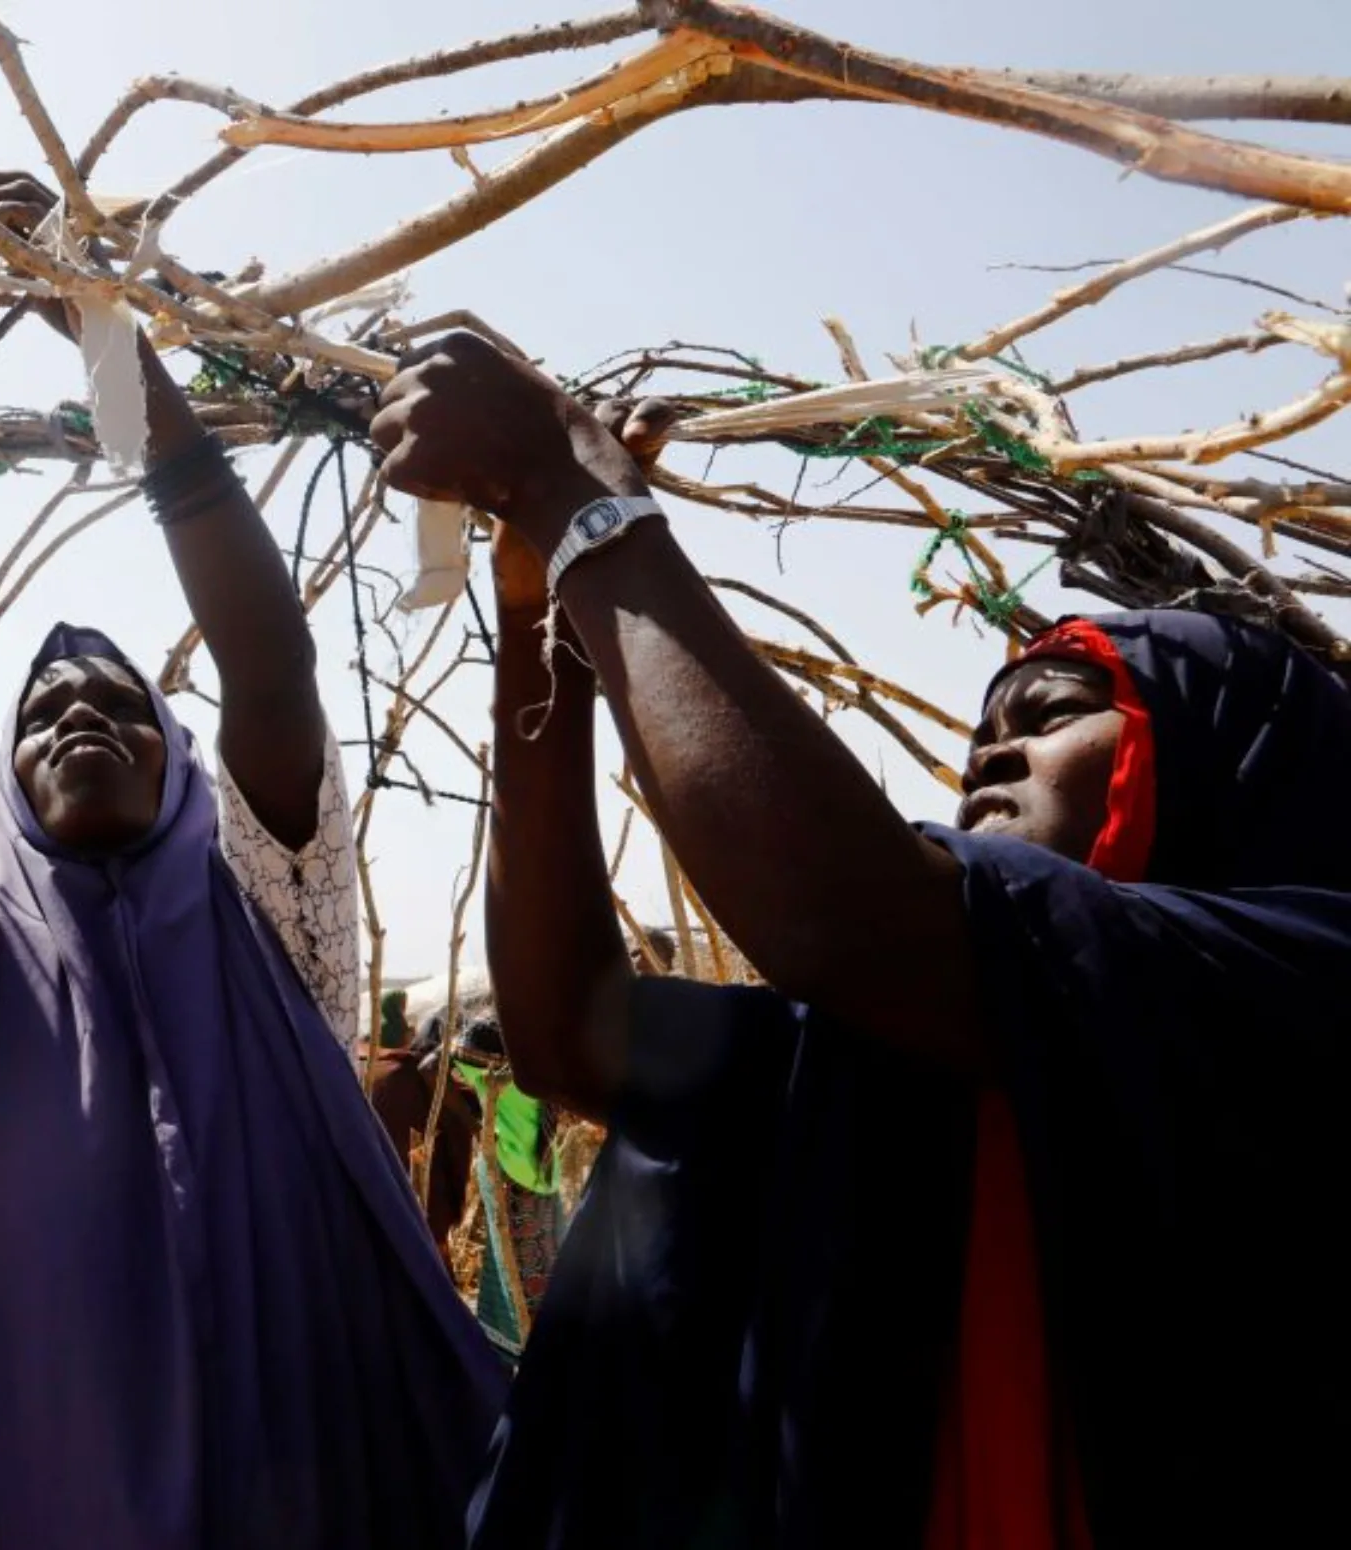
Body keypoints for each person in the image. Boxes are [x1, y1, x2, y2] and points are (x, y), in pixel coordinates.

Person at [372, 333, 1351, 1549]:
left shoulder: (1297, 986)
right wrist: (538, 625)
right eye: (982, 727)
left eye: (1051, 715)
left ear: (1223, 766)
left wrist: (581, 502)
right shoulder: (899, 1060)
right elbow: (573, 1026)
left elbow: (843, 916)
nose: (989, 753)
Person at [0, 173, 505, 1550]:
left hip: (309, 1476)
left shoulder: (276, 915)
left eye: (121, 700)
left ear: (187, 761)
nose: (78, 712)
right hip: (50, 1478)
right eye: (43, 713)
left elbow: (273, 671)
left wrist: (107, 338)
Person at [444, 1013, 563, 1358]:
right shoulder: (534, 1078)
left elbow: (444, 1056)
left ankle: (517, 1344)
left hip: (511, 1176)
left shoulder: (492, 1080)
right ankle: (536, 1344)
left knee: (516, 1265)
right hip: (539, 1173)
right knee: (541, 1261)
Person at [364, 1001, 478, 1266]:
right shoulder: (438, 1083)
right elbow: (454, 1156)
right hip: (424, 1203)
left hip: (381, 1200)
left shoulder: (386, 1071)